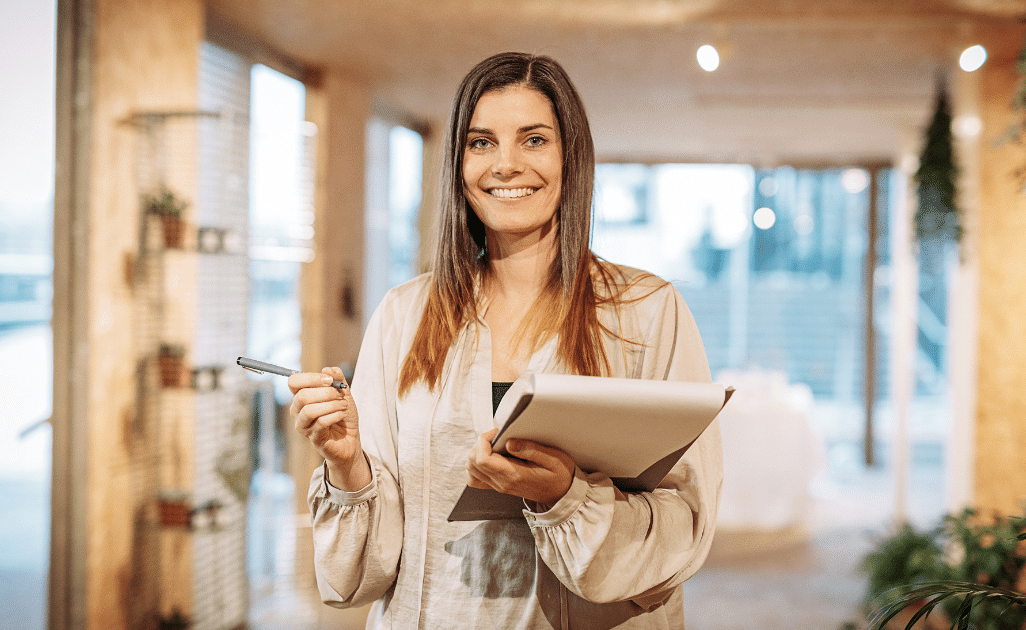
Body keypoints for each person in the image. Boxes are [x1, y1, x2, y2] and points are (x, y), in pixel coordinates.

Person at [289, 51, 722, 630]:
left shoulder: (647, 311)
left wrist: (568, 498)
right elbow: (363, 575)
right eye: (481, 142)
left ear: (572, 157)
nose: (506, 165)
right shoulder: (404, 314)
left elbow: (684, 523)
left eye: (534, 139)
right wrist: (347, 467)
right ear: (458, 163)